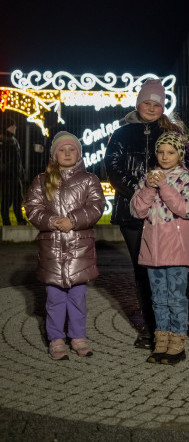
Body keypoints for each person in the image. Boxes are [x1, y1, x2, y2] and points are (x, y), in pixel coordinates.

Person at [105, 78, 189, 349]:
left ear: (162, 106)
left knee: (178, 269)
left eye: (156, 104)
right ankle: (152, 328)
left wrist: (162, 193)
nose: (151, 108)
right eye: (146, 103)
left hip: (170, 215)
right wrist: (141, 192)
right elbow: (114, 170)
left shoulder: (173, 131)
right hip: (133, 212)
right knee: (144, 271)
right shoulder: (121, 134)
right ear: (138, 103)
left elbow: (187, 167)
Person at [23, 131, 106, 360]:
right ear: (54, 154)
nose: (67, 153)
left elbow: (96, 206)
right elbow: (33, 208)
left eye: (72, 149)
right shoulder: (41, 180)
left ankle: (78, 337)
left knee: (78, 297)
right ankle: (56, 339)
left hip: (80, 250)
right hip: (52, 251)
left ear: (79, 154)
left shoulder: (90, 179)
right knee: (55, 298)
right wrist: (51, 221)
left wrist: (74, 220)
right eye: (62, 149)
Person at [130, 132, 189, 365]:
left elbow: (188, 209)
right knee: (158, 298)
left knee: (176, 298)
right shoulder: (148, 178)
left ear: (179, 155)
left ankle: (177, 342)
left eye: (170, 152)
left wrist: (163, 185)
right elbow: (137, 211)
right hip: (154, 251)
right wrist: (150, 188)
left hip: (177, 251)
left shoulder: (187, 179)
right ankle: (161, 341)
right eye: (160, 152)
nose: (164, 156)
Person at [0, 115, 26, 225]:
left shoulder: (11, 140)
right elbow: (7, 160)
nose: (15, 127)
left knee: (16, 199)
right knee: (9, 199)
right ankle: (10, 220)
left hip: (14, 175)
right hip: (9, 175)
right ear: (7, 127)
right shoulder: (5, 140)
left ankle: (17, 219)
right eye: (12, 125)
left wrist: (20, 171)